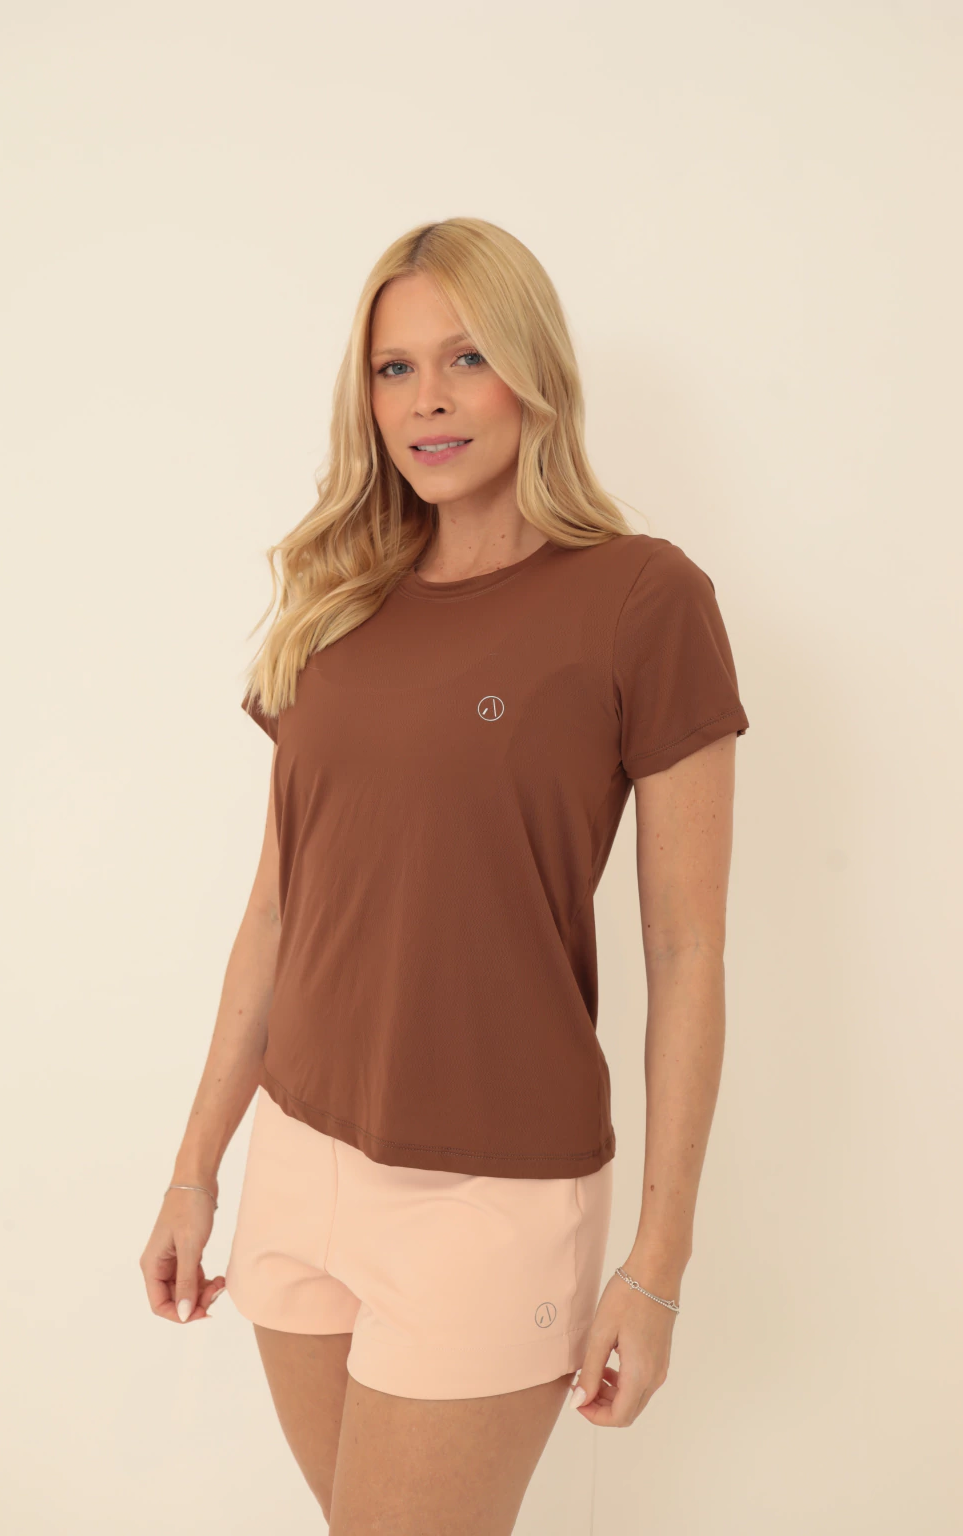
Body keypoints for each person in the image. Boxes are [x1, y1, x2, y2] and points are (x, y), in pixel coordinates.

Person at [139, 216, 750, 1534]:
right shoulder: (337, 602)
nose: (427, 399)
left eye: (466, 358)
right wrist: (197, 1166)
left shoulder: (643, 600)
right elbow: (278, 911)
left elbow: (687, 951)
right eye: (395, 367)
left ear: (534, 373)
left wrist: (658, 1261)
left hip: (492, 1189)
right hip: (299, 1161)